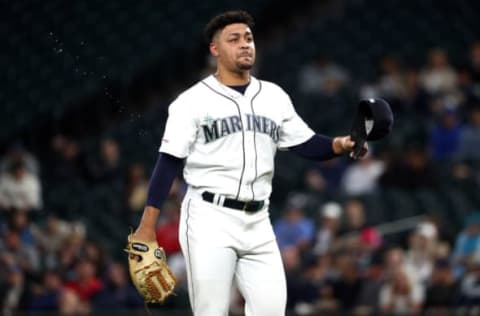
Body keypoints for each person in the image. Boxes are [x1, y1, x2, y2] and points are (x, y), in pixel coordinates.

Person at [131, 10, 368, 316]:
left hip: (258, 220)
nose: (245, 44)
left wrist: (339, 144)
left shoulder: (274, 96)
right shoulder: (191, 102)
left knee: (271, 310)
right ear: (215, 49)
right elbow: (168, 163)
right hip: (209, 218)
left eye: (249, 38)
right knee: (211, 312)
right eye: (234, 39)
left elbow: (306, 143)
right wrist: (147, 226)